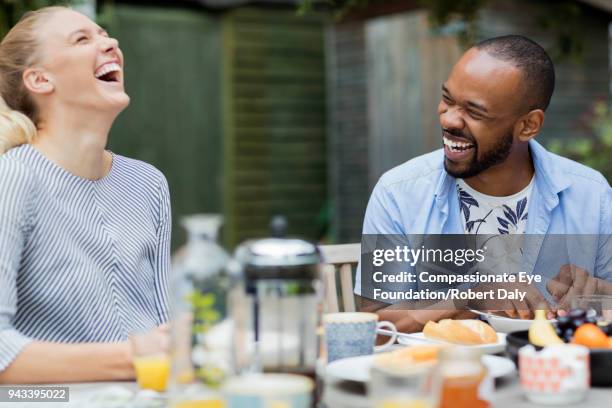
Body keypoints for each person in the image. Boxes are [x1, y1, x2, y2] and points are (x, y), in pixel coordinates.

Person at [356, 35, 612, 333]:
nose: (449, 120)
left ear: (528, 125)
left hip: (557, 374)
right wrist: (470, 296)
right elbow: (375, 327)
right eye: (447, 99)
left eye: (475, 112)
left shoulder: (593, 196)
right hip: (443, 376)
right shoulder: (398, 193)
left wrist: (596, 293)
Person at [0, 7, 170, 383]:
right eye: (82, 39)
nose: (110, 43)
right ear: (40, 79)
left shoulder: (148, 184)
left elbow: (161, 320)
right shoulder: (12, 178)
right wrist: (134, 359)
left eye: (105, 34)